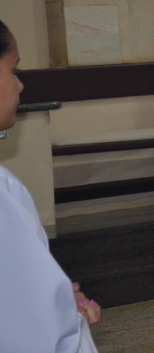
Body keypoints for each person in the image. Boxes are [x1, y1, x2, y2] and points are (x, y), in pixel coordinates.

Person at [0, 19, 102, 352]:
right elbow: (38, 332)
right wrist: (71, 314)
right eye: (13, 70)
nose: (20, 86)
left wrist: (55, 293)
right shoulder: (4, 194)